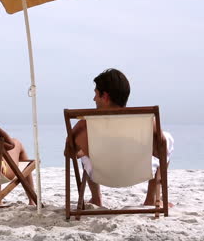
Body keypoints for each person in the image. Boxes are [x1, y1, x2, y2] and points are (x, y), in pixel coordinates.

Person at [65, 68, 174, 207]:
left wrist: (85, 151)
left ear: (105, 96)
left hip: (101, 174)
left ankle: (96, 199)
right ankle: (151, 199)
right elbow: (162, 151)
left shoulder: (85, 124)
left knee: (84, 149)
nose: (94, 99)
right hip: (137, 173)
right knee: (167, 139)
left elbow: (68, 153)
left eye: (96, 94)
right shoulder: (146, 122)